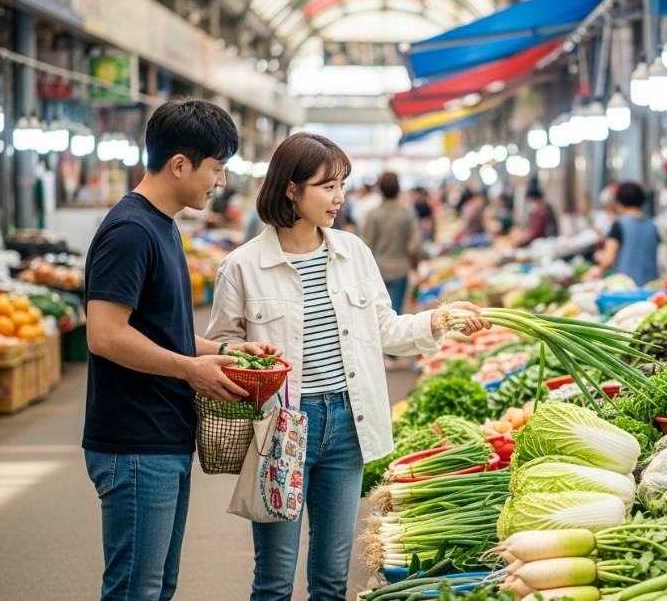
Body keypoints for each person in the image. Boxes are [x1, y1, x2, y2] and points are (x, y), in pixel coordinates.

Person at [205, 133, 488, 601]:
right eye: (327, 186)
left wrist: (438, 319)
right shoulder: (243, 266)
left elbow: (386, 328)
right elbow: (221, 346)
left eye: (342, 185)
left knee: (332, 580)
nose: (339, 197)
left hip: (347, 424)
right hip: (283, 430)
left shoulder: (354, 253)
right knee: (274, 581)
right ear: (291, 190)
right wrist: (245, 360)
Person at [82, 99, 277, 601]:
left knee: (157, 586)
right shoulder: (131, 230)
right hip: (134, 440)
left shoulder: (163, 225)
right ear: (180, 164)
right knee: (134, 590)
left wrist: (226, 352)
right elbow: (104, 334)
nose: (220, 182)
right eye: (216, 168)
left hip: (162, 435)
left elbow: (158, 328)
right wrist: (190, 369)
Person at [363, 172, 422, 316]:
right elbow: (415, 243)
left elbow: (366, 244)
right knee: (395, 312)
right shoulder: (407, 213)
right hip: (400, 269)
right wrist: (415, 265)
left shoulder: (373, 215)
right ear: (398, 188)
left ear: (381, 189)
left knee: (379, 312)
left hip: (377, 270)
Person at [597, 182, 660, 286]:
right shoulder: (652, 226)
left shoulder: (619, 225)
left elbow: (609, 259)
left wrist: (598, 271)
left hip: (626, 289)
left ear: (619, 203)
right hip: (651, 287)